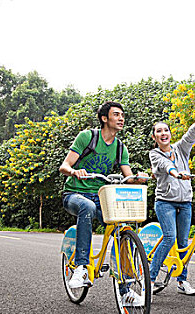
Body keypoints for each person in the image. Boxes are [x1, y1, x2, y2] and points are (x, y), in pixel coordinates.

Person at [59, 101, 146, 295]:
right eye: (116, 115)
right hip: (74, 193)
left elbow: (128, 177)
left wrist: (139, 178)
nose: (121, 118)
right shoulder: (87, 137)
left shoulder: (119, 148)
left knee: (124, 223)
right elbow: (64, 166)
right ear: (104, 118)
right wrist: (74, 172)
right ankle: (81, 268)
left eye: (122, 115)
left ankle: (126, 288)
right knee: (87, 207)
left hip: (100, 196)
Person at [149, 106, 195, 295]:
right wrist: (176, 173)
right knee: (170, 237)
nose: (163, 134)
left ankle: (182, 281)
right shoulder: (154, 154)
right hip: (165, 202)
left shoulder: (180, 149)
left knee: (183, 243)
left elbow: (190, 136)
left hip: (185, 201)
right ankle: (151, 279)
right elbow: (165, 165)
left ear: (170, 134)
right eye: (159, 131)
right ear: (155, 137)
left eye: (166, 130)